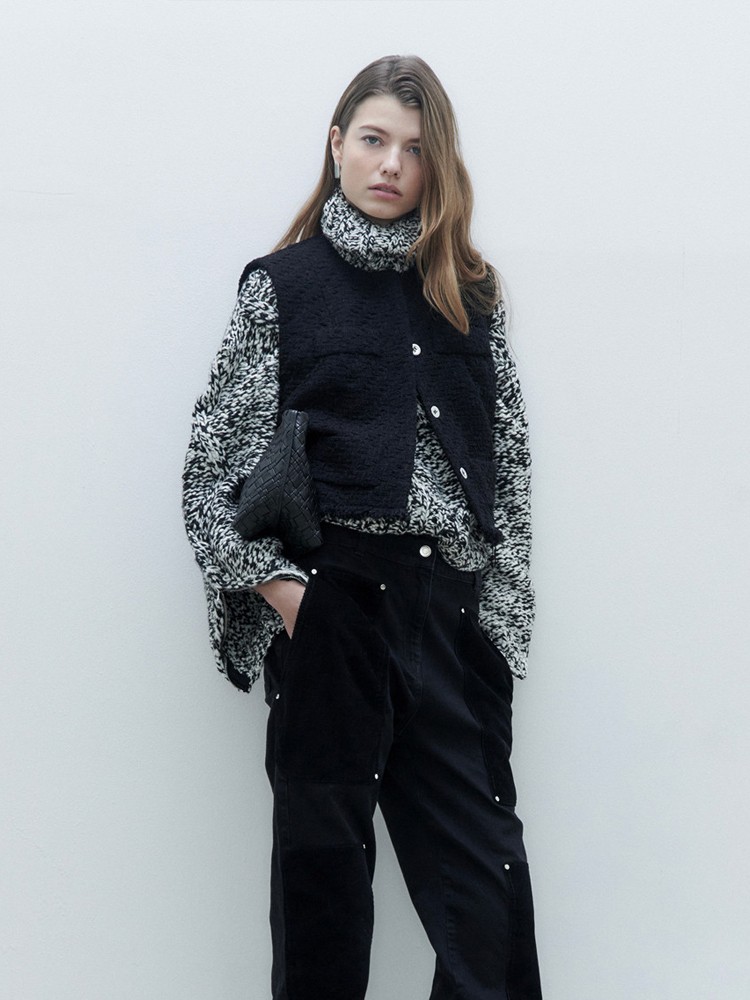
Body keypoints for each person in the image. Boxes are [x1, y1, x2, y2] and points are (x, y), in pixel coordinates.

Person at [182, 54, 543, 1000]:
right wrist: (289, 597)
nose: (391, 164)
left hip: (447, 616)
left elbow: (509, 471)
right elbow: (209, 472)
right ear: (337, 144)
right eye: (374, 140)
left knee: (487, 901)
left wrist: (498, 634)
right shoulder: (283, 287)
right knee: (324, 898)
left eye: (414, 149)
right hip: (335, 604)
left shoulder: (471, 294)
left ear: (437, 165)